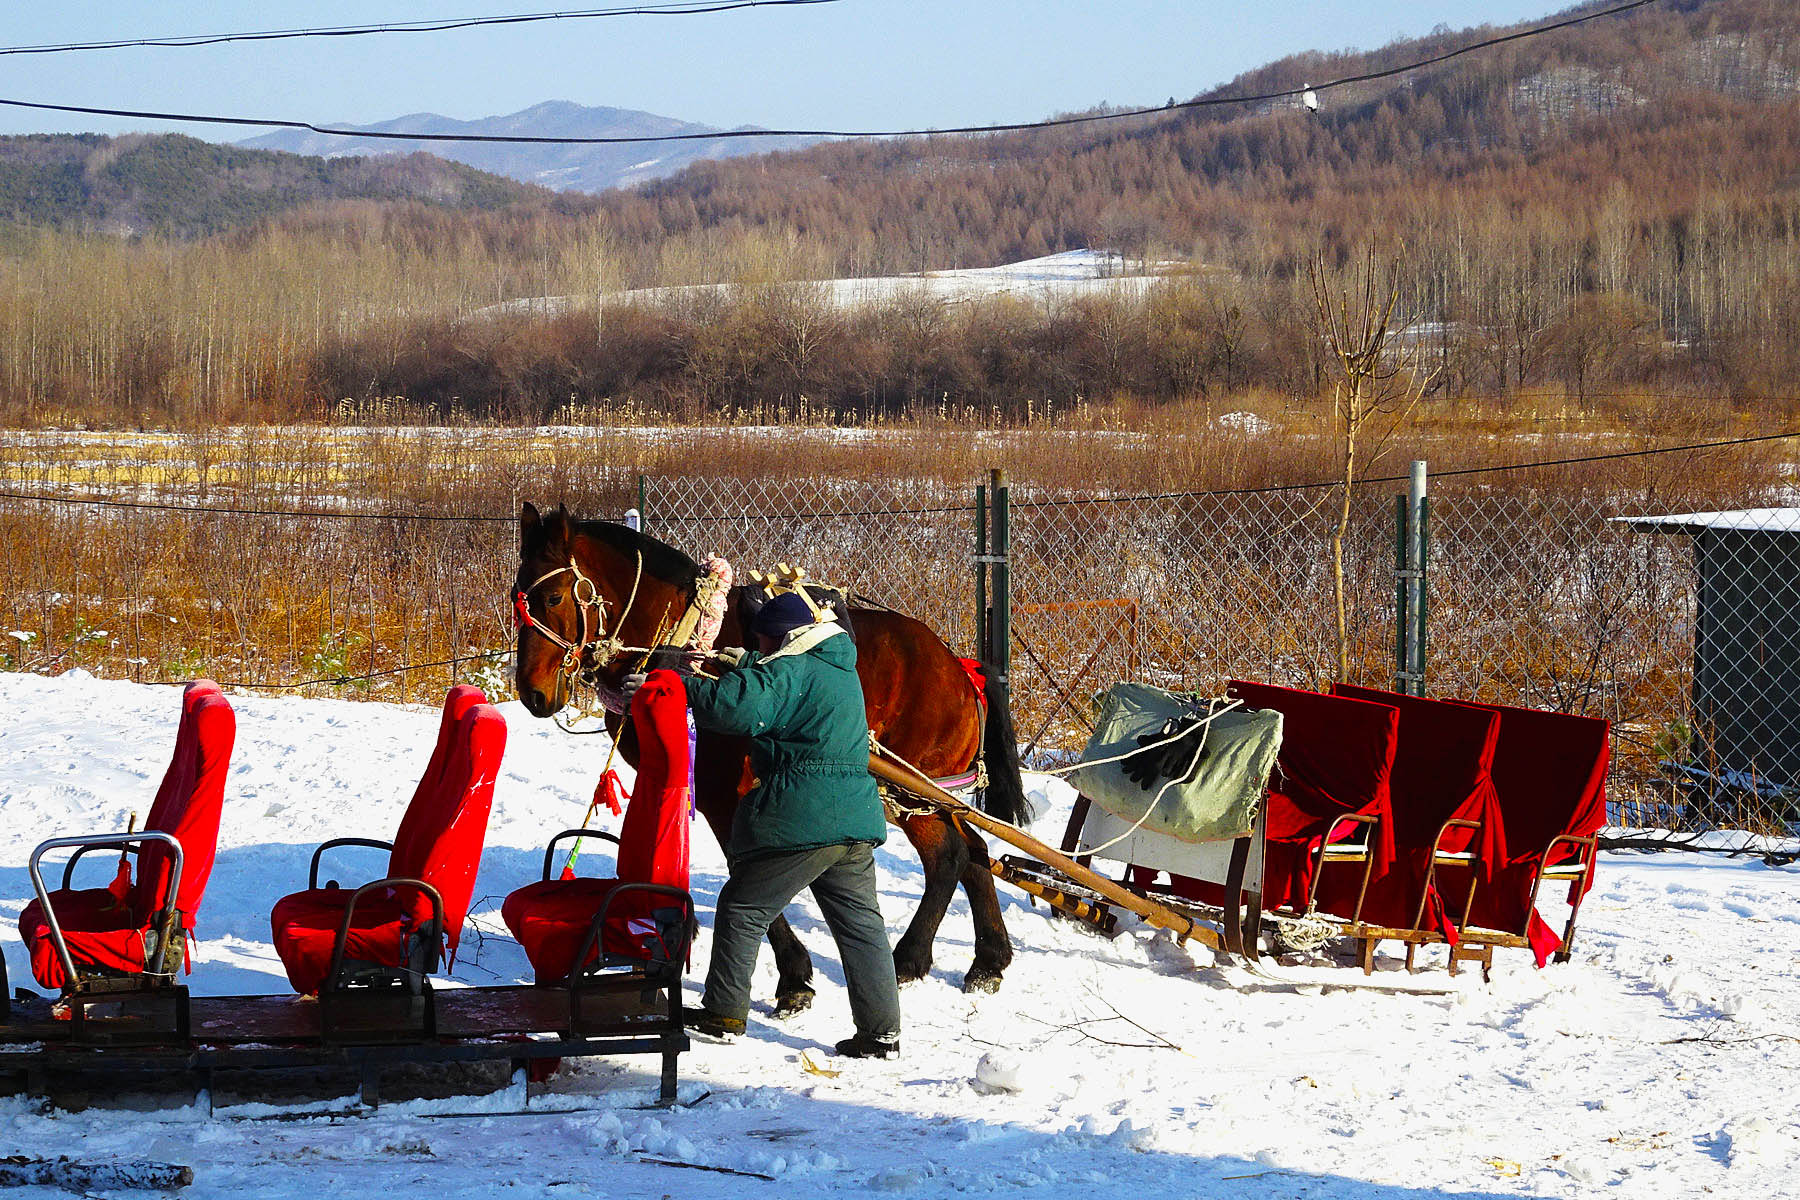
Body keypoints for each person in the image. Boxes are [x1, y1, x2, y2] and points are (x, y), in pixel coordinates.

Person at [632, 589, 901, 1060]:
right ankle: (881, 1034)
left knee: (742, 907)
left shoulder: (789, 672)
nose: (762, 650)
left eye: (763, 642)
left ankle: (722, 1014)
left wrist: (677, 681)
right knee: (861, 926)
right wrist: (746, 662)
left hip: (805, 816)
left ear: (782, 639)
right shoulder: (838, 667)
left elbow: (740, 709)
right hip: (853, 818)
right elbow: (778, 686)